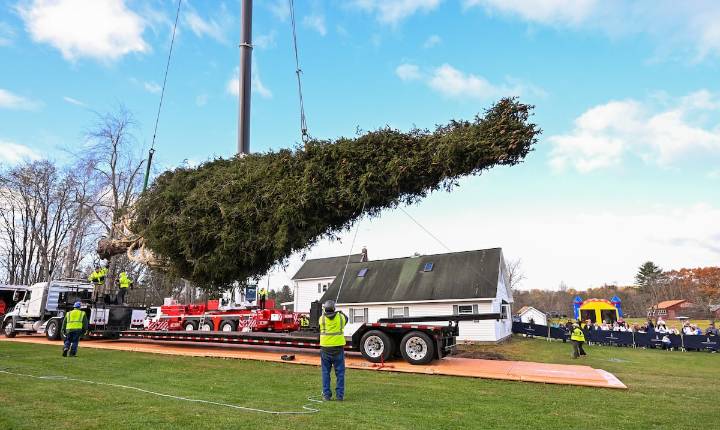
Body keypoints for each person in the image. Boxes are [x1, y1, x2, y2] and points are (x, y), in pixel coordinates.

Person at [319, 300, 347, 401]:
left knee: (325, 372)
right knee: (340, 373)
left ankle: (326, 395)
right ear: (334, 308)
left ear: (325, 309)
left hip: (325, 349)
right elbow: (346, 319)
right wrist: (340, 312)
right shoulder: (340, 317)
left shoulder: (321, 319)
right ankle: (340, 396)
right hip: (338, 348)